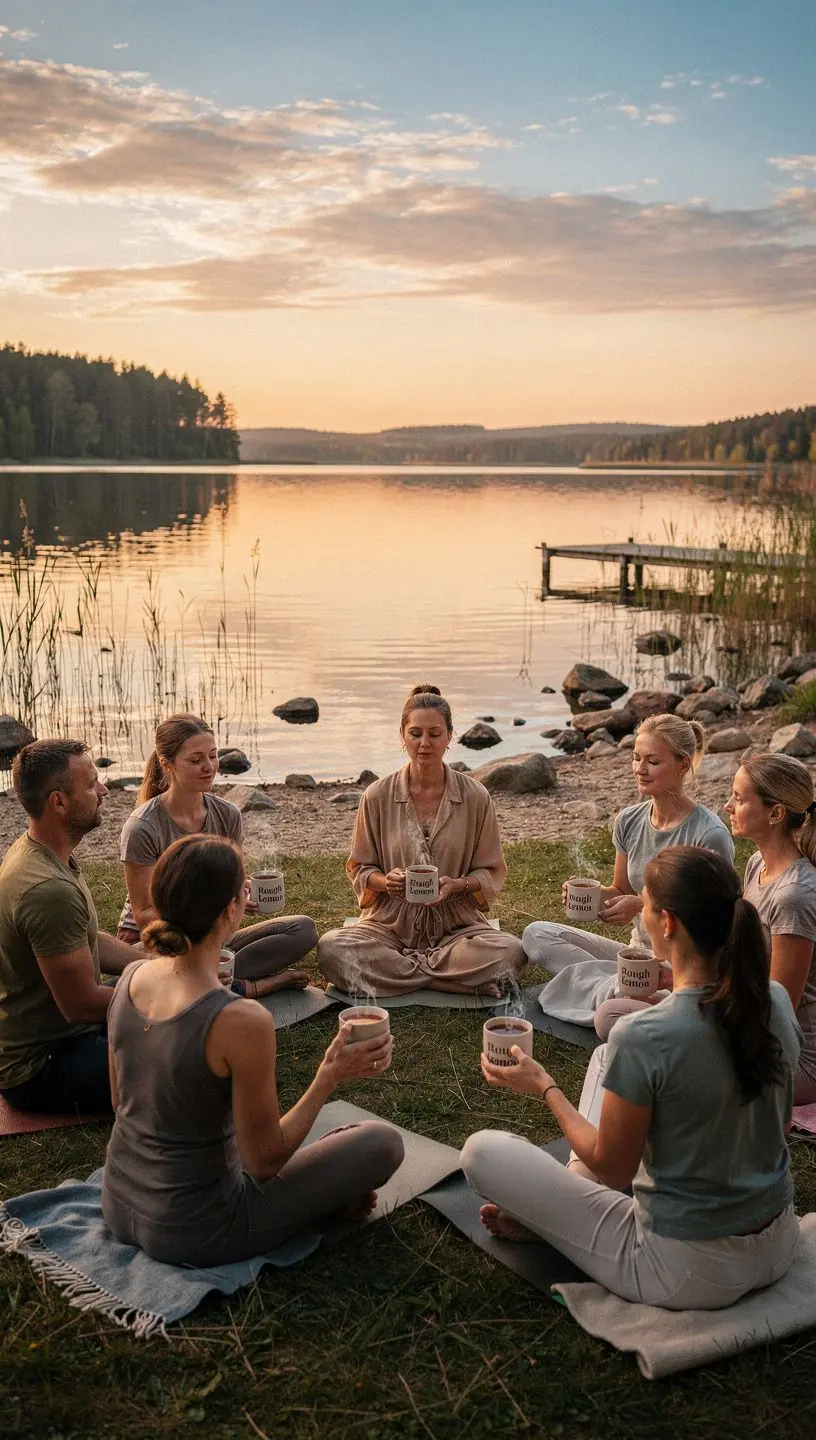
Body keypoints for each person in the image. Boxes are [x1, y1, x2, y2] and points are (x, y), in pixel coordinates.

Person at [462, 846, 801, 1310]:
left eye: (644, 903)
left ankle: (558, 1214)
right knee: (604, 1056)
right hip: (778, 1243)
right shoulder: (776, 1000)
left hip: (686, 1269)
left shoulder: (645, 1035)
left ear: (667, 924)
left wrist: (545, 1085)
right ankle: (563, 1211)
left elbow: (613, 1167)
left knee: (481, 1151)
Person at [102, 833, 404, 1266]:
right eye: (243, 889)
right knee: (381, 1143)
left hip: (118, 1203)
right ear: (230, 910)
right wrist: (329, 1074)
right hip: (198, 1230)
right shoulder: (240, 1020)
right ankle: (321, 1201)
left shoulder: (130, 978)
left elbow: (121, 1103)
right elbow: (263, 1163)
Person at [522, 712, 734, 1029]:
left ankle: (615, 992)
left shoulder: (708, 835)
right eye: (636, 758)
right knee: (537, 935)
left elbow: (717, 925)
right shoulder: (629, 820)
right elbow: (621, 889)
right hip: (636, 953)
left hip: (683, 966)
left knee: (614, 1014)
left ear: (683, 764)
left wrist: (643, 905)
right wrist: (590, 899)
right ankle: (621, 990)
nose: (639, 769)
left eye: (652, 761)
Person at [317, 684, 525, 998]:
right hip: (389, 924)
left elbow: (490, 871)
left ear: (449, 736)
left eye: (434, 734)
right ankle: (442, 981)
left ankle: (400, 972)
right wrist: (387, 883)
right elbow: (360, 868)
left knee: (512, 952)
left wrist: (456, 886)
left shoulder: (475, 796)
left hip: (457, 925)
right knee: (331, 949)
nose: (425, 744)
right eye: (416, 734)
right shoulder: (377, 796)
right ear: (403, 735)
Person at [117, 714, 317, 997]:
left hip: (212, 935)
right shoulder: (143, 827)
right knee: (170, 968)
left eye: (212, 756)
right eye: (195, 760)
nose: (208, 766)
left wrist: (238, 891)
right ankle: (244, 986)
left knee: (303, 930)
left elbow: (223, 880)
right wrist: (208, 907)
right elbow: (144, 916)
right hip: (156, 940)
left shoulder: (227, 815)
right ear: (167, 764)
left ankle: (208, 980)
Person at [0, 740, 136, 1114]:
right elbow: (80, 1005)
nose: (104, 791)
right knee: (196, 1055)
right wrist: (177, 992)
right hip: (42, 1066)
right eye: (92, 784)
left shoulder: (40, 851)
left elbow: (86, 939)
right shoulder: (48, 889)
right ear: (59, 802)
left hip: (69, 1031)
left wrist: (150, 962)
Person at [726, 751, 816, 1104]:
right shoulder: (756, 864)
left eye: (738, 798)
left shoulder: (794, 895)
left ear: (776, 813)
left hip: (795, 1055)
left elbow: (778, 1009)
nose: (728, 806)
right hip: (752, 1022)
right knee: (621, 1017)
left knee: (657, 1046)